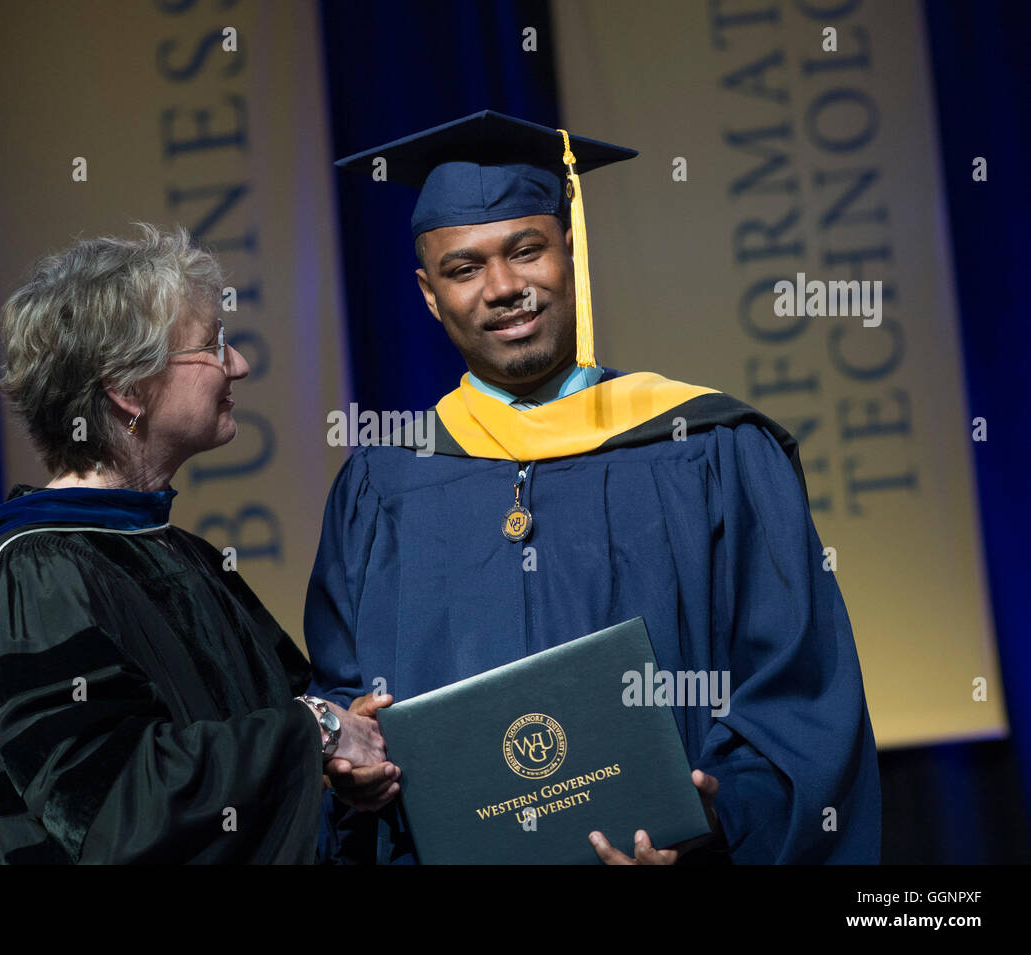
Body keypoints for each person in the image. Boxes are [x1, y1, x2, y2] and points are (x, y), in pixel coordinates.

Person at [305, 110, 881, 865]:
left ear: (569, 252)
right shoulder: (382, 485)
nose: (503, 287)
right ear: (428, 293)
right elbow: (346, 700)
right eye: (465, 267)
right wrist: (351, 769)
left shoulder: (710, 448)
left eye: (526, 251)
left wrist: (719, 817)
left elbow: (798, 693)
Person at [0, 223, 395, 864]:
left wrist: (341, 764)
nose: (240, 364)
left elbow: (287, 727)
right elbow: (112, 807)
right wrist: (319, 733)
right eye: (212, 345)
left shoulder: (179, 553)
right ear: (127, 389)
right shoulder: (38, 572)